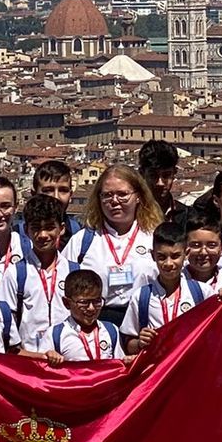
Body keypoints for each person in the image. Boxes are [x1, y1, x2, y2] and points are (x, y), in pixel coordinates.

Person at [72, 164, 162, 326]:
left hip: (146, 323)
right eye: (107, 195)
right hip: (96, 324)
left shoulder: (154, 237)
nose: (114, 201)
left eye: (122, 194)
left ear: (138, 196)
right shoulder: (82, 241)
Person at [5, 196, 78, 352]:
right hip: (30, 359)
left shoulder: (74, 271)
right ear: (26, 230)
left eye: (50, 227)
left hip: (67, 358)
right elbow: (7, 320)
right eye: (36, 228)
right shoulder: (16, 273)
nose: (43, 234)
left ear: (62, 228)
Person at [120, 222, 188, 353]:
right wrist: (140, 343)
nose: (168, 263)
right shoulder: (141, 296)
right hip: (156, 370)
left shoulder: (201, 292)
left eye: (175, 256)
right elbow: (127, 344)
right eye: (161, 257)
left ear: (187, 254)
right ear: (152, 255)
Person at [40, 270, 123, 364]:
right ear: (67, 303)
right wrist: (48, 356)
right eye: (84, 302)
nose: (91, 308)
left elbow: (119, 367)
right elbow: (42, 370)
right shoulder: (55, 334)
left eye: (97, 301)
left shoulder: (111, 330)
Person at [179, 214, 222, 300]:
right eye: (196, 245)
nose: (203, 252)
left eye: (211, 245)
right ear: (185, 248)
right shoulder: (175, 284)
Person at [21, 159, 81, 243]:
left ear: (70, 194)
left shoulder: (77, 233)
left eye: (63, 190)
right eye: (48, 190)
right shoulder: (18, 237)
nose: (56, 197)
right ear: (34, 194)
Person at [139, 140, 188, 227]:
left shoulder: (187, 216)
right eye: (153, 175)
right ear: (142, 174)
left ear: (174, 173)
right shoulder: (131, 215)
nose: (160, 183)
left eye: (166, 175)